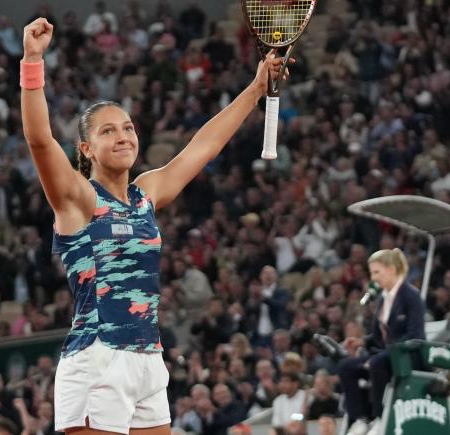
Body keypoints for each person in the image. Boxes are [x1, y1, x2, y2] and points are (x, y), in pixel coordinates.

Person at [20, 17, 289, 435]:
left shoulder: (146, 193)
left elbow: (204, 145)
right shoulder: (77, 199)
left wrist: (256, 89)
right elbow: (39, 140)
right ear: (86, 149)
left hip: (147, 358)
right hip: (98, 358)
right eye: (108, 131)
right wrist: (32, 62)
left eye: (128, 127)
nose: (124, 136)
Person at [339, 249, 425, 435]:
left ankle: (379, 418)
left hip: (408, 355)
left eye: (377, 272)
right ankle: (361, 419)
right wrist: (362, 341)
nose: (373, 277)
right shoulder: (383, 298)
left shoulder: (411, 296)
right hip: (384, 355)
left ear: (392, 269)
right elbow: (379, 337)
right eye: (372, 273)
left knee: (377, 363)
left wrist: (388, 352)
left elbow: (415, 335)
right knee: (347, 367)